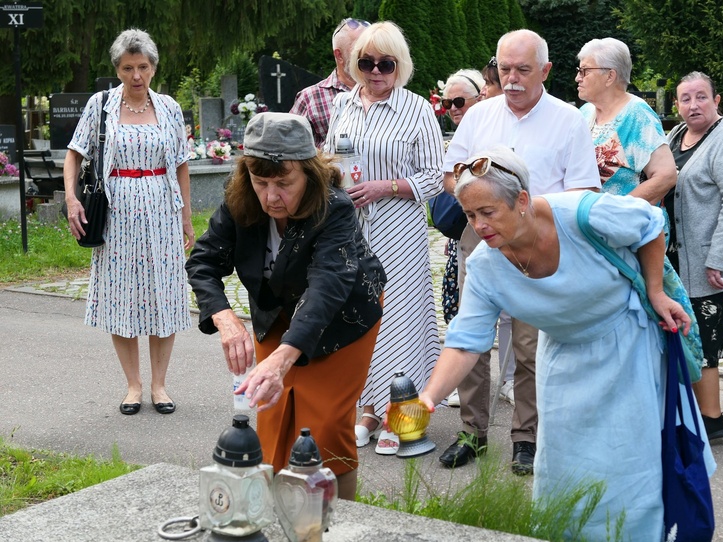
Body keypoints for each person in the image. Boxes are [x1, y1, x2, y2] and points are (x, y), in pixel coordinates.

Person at [412, 146, 711, 542]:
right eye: (469, 215)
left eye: (488, 212)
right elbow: (466, 340)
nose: (479, 225)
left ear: (520, 201)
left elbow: (649, 223)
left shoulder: (579, 213)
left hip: (625, 342)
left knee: (629, 455)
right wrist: (429, 396)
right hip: (563, 355)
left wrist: (656, 291)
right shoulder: (485, 265)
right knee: (566, 462)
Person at [185, 113, 386, 500]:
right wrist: (226, 320)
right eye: (261, 183)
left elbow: (328, 286)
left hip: (342, 317)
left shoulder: (334, 206)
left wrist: (281, 359)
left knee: (323, 425)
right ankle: (281, 513)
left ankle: (335, 522)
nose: (271, 197)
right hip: (276, 310)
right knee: (274, 418)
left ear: (308, 174)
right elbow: (204, 261)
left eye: (283, 183)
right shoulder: (239, 197)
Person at [441, 29, 600, 475]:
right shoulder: (479, 117)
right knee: (472, 336)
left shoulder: (569, 120)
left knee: (531, 346)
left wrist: (533, 218)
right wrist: (475, 195)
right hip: (482, 237)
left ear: (545, 71)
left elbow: (585, 190)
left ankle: (526, 437)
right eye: (504, 68)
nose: (511, 79)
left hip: (536, 244)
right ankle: (472, 431)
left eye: (522, 70)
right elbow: (449, 175)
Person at [323, 21, 444, 455]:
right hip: (353, 229)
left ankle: (403, 413)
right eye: (367, 63)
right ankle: (371, 408)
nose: (376, 72)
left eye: (385, 64)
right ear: (354, 64)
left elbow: (434, 177)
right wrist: (333, 181)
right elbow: (330, 158)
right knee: (361, 316)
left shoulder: (416, 110)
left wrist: (385, 186)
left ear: (400, 66)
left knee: (400, 319)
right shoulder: (343, 106)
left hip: (398, 229)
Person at [63, 29, 194, 416]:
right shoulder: (100, 105)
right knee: (121, 296)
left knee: (164, 295)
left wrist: (186, 215)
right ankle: (133, 385)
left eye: (143, 67)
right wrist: (71, 199)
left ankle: (159, 384)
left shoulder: (170, 107)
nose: (136, 75)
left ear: (153, 67)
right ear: (117, 69)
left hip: (161, 207)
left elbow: (182, 163)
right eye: (127, 68)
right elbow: (74, 154)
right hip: (115, 209)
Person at [666, 71, 723, 441]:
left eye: (701, 97)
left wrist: (717, 258)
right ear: (677, 105)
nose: (693, 105)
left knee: (704, 335)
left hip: (711, 259)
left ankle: (712, 418)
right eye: (685, 99)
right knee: (690, 330)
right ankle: (699, 413)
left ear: (716, 100)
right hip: (680, 256)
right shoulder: (675, 135)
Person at [576, 38, 676, 204]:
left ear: (610, 76)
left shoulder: (637, 114)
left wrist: (618, 211)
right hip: (588, 224)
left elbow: (666, 175)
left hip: (626, 226)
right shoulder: (585, 112)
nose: (578, 78)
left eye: (585, 71)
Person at [437, 69, 485, 408]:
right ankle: (464, 388)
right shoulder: (461, 133)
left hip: (490, 227)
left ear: (479, 97)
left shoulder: (487, 127)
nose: (453, 108)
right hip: (464, 234)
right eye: (447, 102)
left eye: (459, 101)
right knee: (460, 310)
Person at [290, 17, 370, 147]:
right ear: (339, 55)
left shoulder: (388, 94)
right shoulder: (310, 98)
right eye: (359, 49)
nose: (368, 55)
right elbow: (290, 150)